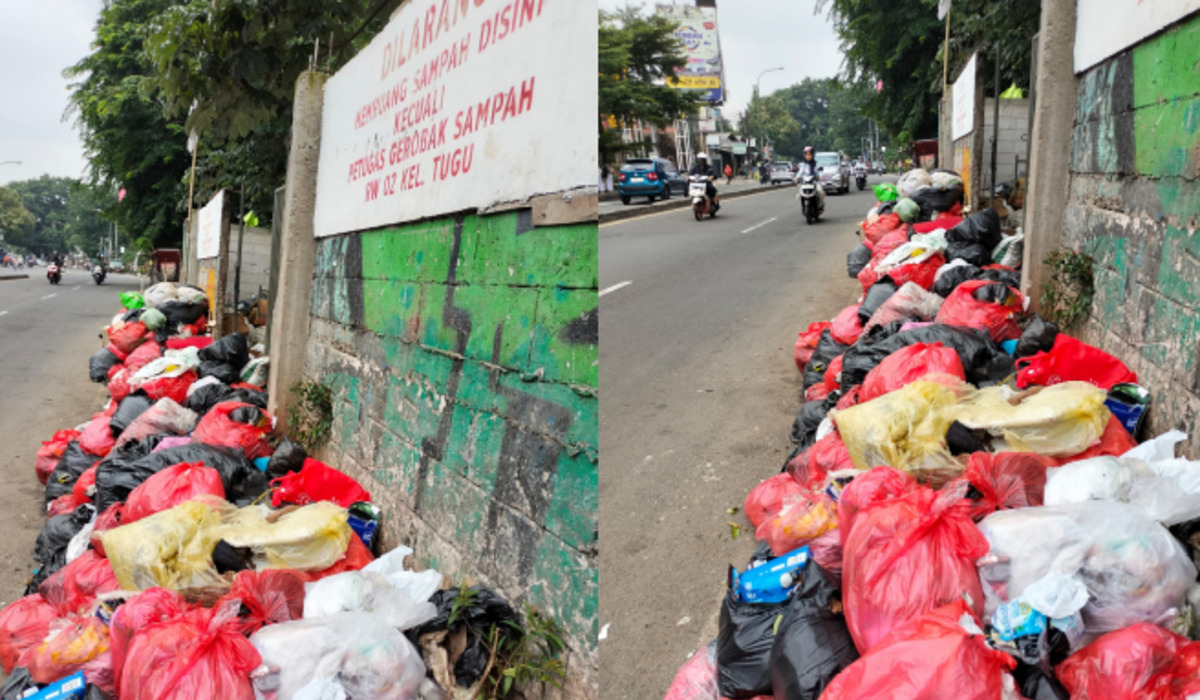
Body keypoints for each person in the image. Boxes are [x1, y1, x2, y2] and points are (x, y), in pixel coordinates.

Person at [794, 146, 826, 213]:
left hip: (814, 182)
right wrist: (796, 177)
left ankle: (820, 206)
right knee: (800, 193)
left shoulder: (816, 164)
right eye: (807, 155)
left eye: (810, 155)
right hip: (805, 182)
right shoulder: (803, 164)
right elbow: (800, 172)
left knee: (820, 192)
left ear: (813, 155)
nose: (808, 157)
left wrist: (820, 176)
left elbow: (820, 171)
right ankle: (803, 207)